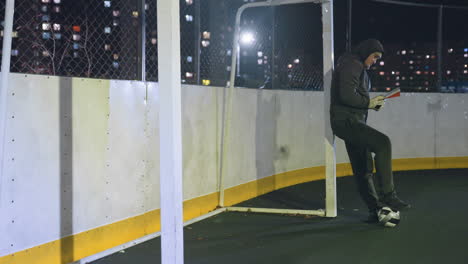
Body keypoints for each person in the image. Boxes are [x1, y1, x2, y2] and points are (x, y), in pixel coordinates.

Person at [330, 39, 410, 222]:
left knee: (363, 169)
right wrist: (368, 103)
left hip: (352, 121)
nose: (375, 61)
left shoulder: (356, 66)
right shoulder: (352, 64)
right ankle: (388, 195)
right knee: (383, 143)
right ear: (366, 52)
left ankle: (376, 210)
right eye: (374, 57)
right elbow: (346, 95)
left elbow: (352, 96)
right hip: (347, 122)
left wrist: (371, 104)